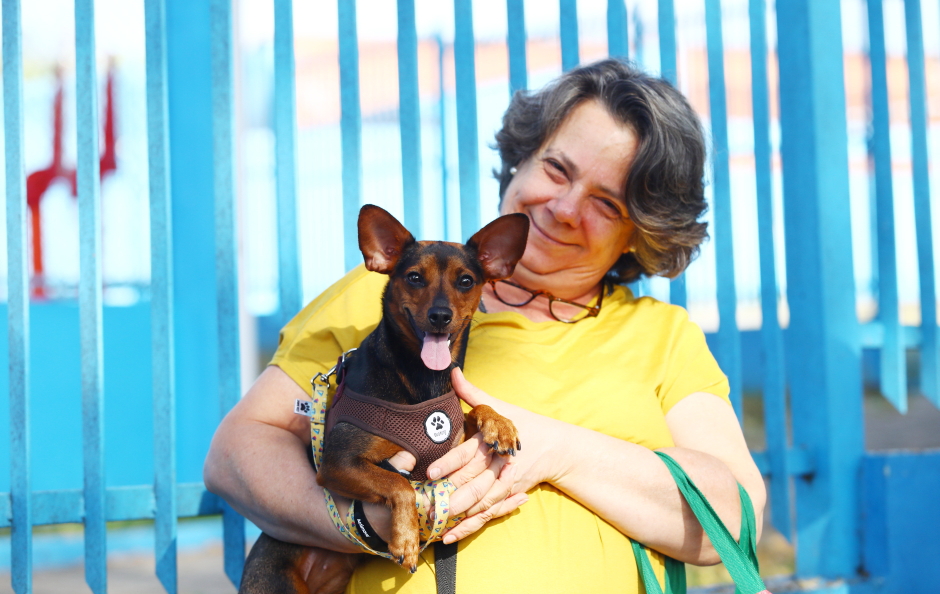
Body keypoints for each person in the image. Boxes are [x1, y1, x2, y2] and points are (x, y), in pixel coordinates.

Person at [204, 58, 765, 593]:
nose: (565, 208)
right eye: (556, 169)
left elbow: (737, 517)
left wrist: (559, 451)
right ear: (521, 158)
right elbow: (235, 453)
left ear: (642, 233)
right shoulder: (392, 295)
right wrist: (364, 522)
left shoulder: (660, 335)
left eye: (607, 203)